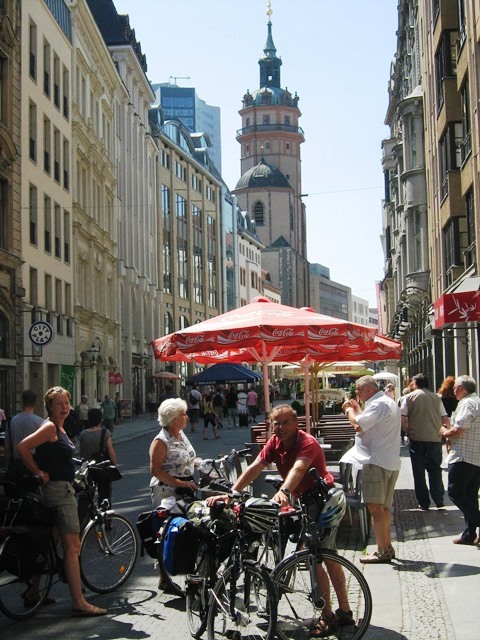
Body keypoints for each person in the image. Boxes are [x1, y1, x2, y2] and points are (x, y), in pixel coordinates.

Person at [207, 404, 352, 635]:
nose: (281, 427)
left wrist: (284, 491)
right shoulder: (275, 442)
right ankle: (342, 613)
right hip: (305, 501)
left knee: (321, 559)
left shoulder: (307, 442)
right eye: (277, 423)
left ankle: (335, 615)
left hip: (323, 502)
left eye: (286, 423)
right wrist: (232, 493)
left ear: (296, 424)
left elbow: (299, 468)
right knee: (322, 558)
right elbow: (256, 467)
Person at [16, 386, 107, 617]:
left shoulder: (60, 428)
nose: (64, 407)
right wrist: (38, 472)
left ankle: (34, 592)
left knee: (51, 542)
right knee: (73, 547)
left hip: (60, 487)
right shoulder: (49, 427)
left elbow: (56, 455)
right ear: (49, 406)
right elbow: (22, 447)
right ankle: (79, 602)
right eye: (59, 404)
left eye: (66, 403)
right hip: (58, 492)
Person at [342, 375, 401, 564]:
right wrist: (359, 410)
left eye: (358, 391)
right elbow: (369, 424)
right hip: (389, 460)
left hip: (376, 461)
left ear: (367, 390)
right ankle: (387, 547)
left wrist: (350, 411)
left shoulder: (378, 404)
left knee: (375, 508)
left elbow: (358, 425)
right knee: (383, 508)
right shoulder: (387, 402)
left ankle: (382, 550)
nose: (358, 395)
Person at [439, 375, 480, 545]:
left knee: (455, 492)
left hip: (464, 455)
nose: (453, 390)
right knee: (470, 495)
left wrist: (444, 432)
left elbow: (460, 429)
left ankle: (475, 527)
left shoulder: (468, 403)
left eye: (455, 387)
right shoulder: (476, 401)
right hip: (475, 456)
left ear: (462, 388)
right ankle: (469, 534)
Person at [400, 372, 449, 510]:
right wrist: (447, 434)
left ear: (415, 384)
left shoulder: (408, 397)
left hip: (416, 438)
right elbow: (445, 418)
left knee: (418, 471)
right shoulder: (436, 398)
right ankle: (438, 498)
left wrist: (407, 431)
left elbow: (402, 418)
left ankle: (423, 501)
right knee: (435, 469)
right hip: (434, 437)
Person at [78, 408, 117, 507]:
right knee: (105, 494)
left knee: (88, 493)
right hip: (102, 467)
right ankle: (105, 516)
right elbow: (110, 450)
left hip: (89, 467)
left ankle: (87, 514)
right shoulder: (105, 432)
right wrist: (114, 464)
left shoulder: (83, 434)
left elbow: (81, 453)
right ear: (101, 419)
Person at [4, 389, 44, 479]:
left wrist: (8, 467)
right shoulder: (41, 423)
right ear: (35, 402)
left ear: (22, 401)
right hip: (34, 466)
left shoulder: (11, 421)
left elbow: (7, 448)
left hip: (16, 466)